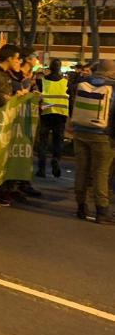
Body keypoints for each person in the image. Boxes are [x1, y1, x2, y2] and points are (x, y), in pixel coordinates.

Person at [71, 60, 115, 224]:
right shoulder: (113, 86)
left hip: (80, 131)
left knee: (81, 170)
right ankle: (102, 211)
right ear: (111, 72)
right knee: (101, 172)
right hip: (103, 136)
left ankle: (81, 207)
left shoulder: (82, 83)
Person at [37, 58, 68, 178]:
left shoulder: (42, 81)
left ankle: (41, 169)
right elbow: (69, 99)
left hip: (46, 114)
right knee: (58, 141)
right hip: (60, 115)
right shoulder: (65, 82)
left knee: (43, 142)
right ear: (60, 68)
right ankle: (56, 159)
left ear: (50, 67)